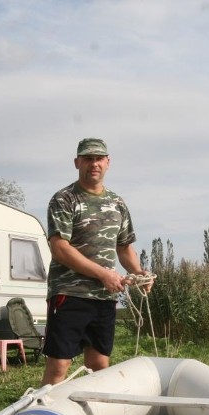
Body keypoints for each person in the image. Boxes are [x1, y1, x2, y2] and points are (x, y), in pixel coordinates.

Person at [41, 138, 151, 385]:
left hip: (104, 297)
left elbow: (124, 247)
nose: (94, 164)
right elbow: (59, 248)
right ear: (77, 162)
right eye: (88, 158)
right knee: (59, 365)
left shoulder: (117, 203)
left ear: (108, 163)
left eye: (99, 159)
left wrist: (140, 274)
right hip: (69, 293)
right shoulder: (64, 199)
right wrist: (103, 274)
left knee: (99, 365)